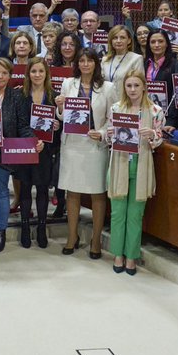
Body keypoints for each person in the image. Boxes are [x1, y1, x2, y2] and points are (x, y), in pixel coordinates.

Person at [56, 48, 115, 257]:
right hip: (72, 145)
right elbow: (63, 117)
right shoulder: (68, 84)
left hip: (95, 146)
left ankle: (96, 239)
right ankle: (72, 236)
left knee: (98, 192)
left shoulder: (107, 88)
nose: (85, 64)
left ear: (96, 64)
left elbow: (112, 117)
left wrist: (101, 132)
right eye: (81, 60)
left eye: (89, 61)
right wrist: (59, 107)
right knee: (72, 193)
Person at [105, 70, 165, 276]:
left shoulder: (156, 111)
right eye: (129, 86)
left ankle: (131, 256)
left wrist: (153, 135)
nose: (132, 90)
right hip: (119, 164)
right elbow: (108, 137)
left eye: (136, 86)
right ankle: (117, 255)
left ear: (144, 87)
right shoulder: (116, 108)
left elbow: (158, 142)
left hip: (142, 165)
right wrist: (109, 133)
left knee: (135, 215)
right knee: (117, 213)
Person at [0, 58, 31, 252]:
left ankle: (1, 232)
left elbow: (22, 125)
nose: (0, 77)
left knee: (1, 191)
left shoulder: (16, 97)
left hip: (4, 152)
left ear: (10, 75)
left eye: (4, 73)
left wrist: (32, 140)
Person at [17, 57, 60, 248]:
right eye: (33, 71)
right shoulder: (20, 95)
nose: (37, 75)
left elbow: (61, 123)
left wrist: (58, 125)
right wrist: (33, 139)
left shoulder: (54, 96)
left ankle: (42, 227)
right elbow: (20, 123)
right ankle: (25, 227)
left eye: (41, 71)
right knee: (25, 189)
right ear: (28, 74)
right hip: (27, 147)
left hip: (45, 150)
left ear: (46, 74)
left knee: (42, 189)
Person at [102, 24, 145, 94]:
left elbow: (139, 84)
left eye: (122, 38)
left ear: (129, 41)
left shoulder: (136, 59)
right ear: (111, 41)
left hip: (126, 101)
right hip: (107, 100)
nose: (118, 41)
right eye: (115, 38)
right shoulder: (105, 59)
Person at [143, 29, 177, 94]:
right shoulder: (144, 63)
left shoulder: (175, 65)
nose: (156, 45)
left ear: (167, 44)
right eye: (153, 42)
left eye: (160, 41)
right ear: (149, 45)